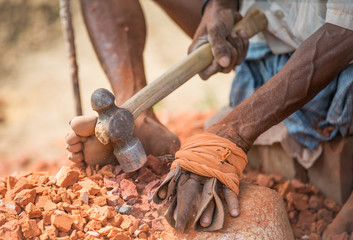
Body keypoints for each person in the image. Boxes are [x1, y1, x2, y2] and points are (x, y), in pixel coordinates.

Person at [65, 0, 353, 238]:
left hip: (338, 55)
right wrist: (218, 6)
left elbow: (347, 29)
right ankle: (133, 115)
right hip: (266, 32)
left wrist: (233, 132)